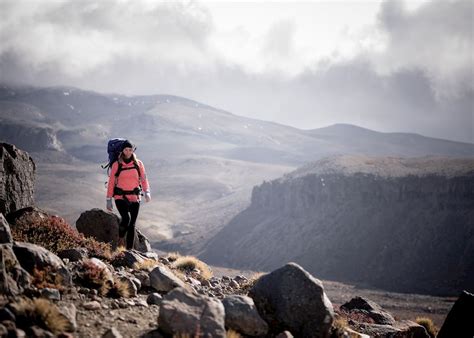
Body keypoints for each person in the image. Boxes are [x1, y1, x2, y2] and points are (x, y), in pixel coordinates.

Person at [106, 140, 151, 249]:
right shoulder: (117, 164)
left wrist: (147, 192)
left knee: (132, 225)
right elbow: (111, 182)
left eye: (130, 149)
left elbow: (144, 179)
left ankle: (129, 250)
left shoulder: (138, 164)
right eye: (126, 149)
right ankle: (121, 238)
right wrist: (108, 199)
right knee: (126, 218)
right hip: (120, 197)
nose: (128, 152)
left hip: (135, 197)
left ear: (133, 150)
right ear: (122, 150)